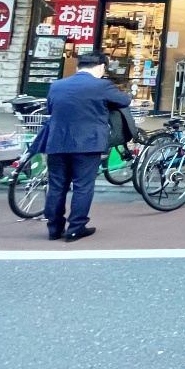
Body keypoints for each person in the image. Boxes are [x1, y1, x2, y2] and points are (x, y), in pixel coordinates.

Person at [41, 51, 131, 242]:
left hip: (57, 142)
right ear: (102, 67)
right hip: (87, 144)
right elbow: (124, 101)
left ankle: (54, 229)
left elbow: (50, 108)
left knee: (57, 186)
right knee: (82, 186)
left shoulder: (57, 85)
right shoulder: (102, 86)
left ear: (77, 67)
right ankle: (76, 228)